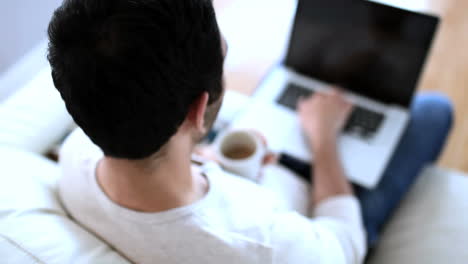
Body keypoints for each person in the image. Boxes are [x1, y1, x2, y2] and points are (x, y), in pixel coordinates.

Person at [49, 0, 452, 263]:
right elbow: (345, 246)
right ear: (198, 110)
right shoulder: (267, 244)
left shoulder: (75, 152)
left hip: (237, 171)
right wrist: (324, 140)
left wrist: (204, 160)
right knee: (434, 111)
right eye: (222, 58)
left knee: (289, 74)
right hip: (317, 201)